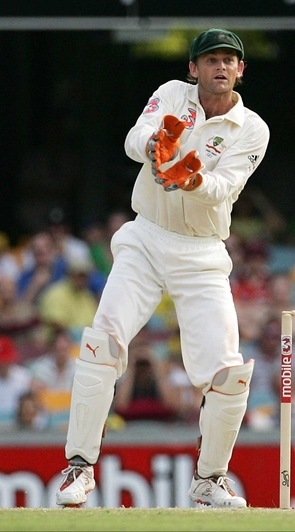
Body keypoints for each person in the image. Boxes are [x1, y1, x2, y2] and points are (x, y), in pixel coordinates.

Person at [56, 28, 269, 509]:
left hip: (202, 252)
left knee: (228, 374)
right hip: (147, 238)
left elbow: (225, 187)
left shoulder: (252, 128)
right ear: (194, 68)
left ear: (240, 70)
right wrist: (158, 145)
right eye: (210, 59)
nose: (220, 66)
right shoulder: (172, 94)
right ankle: (80, 467)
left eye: (228, 60)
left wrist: (189, 177)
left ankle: (209, 480)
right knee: (102, 343)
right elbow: (135, 139)